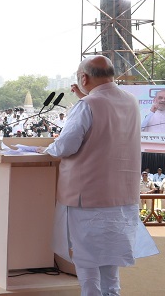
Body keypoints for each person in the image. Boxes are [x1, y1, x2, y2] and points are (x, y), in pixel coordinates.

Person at [41, 55, 158, 295]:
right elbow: (106, 121)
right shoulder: (130, 101)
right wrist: (86, 98)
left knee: (87, 261)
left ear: (83, 77)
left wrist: (45, 149)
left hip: (88, 197)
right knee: (109, 259)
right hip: (122, 196)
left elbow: (66, 146)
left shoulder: (87, 105)